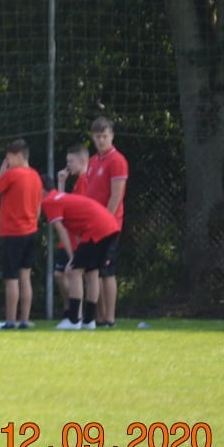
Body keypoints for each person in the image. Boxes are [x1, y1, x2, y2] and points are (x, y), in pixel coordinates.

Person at [41, 181, 122, 330]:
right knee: (92, 272)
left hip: (97, 228)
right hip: (110, 226)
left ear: (41, 189)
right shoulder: (61, 197)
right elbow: (78, 230)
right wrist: (77, 254)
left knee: (75, 271)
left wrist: (72, 257)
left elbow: (61, 230)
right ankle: (89, 321)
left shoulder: (49, 201)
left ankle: (73, 320)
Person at [0, 139, 43, 330]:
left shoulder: (11, 174)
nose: (7, 162)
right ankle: (24, 320)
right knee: (25, 276)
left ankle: (10, 320)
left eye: (8, 158)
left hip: (12, 232)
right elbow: (38, 207)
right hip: (31, 231)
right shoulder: (35, 176)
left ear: (17, 156)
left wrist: (1, 173)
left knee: (11, 278)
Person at [83, 116, 128, 327]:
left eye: (104, 136)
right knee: (95, 272)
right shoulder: (93, 161)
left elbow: (116, 195)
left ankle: (110, 317)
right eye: (97, 136)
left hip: (109, 225)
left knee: (107, 272)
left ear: (112, 136)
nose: (101, 140)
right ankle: (99, 317)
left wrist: (105, 221)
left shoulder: (117, 160)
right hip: (92, 224)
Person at [51, 143, 91, 308]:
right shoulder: (78, 182)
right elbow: (64, 207)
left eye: (71, 161)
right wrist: (61, 184)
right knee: (60, 274)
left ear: (82, 160)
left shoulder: (85, 181)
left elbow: (75, 211)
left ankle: (77, 313)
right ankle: (71, 312)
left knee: (72, 273)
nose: (68, 165)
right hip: (69, 236)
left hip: (77, 238)